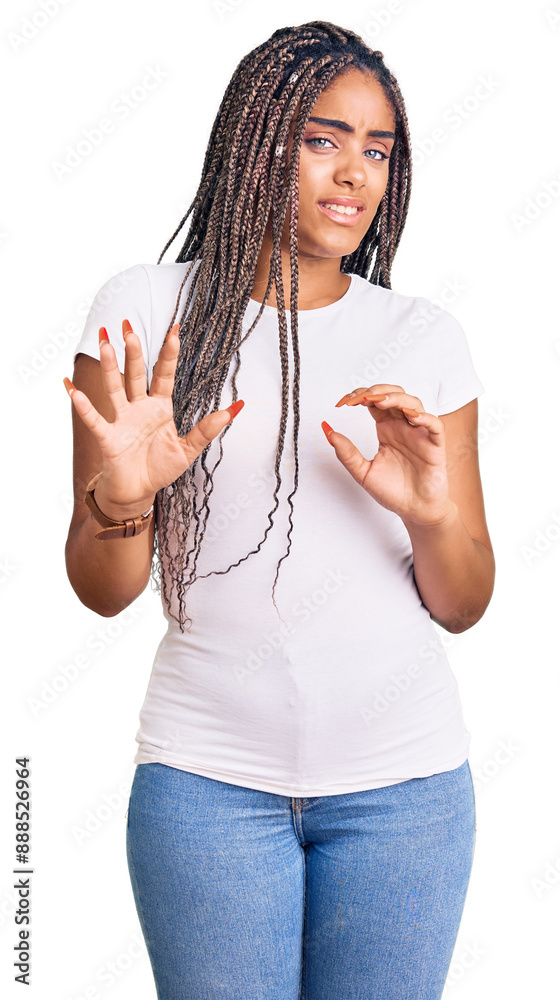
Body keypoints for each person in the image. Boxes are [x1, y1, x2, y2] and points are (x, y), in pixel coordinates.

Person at [63, 20, 495, 1000]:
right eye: (322, 138)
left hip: (405, 795)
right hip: (206, 785)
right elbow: (101, 589)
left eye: (376, 149)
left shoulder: (421, 336)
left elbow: (463, 600)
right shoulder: (144, 312)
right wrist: (123, 499)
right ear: (256, 140)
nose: (353, 173)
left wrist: (429, 516)